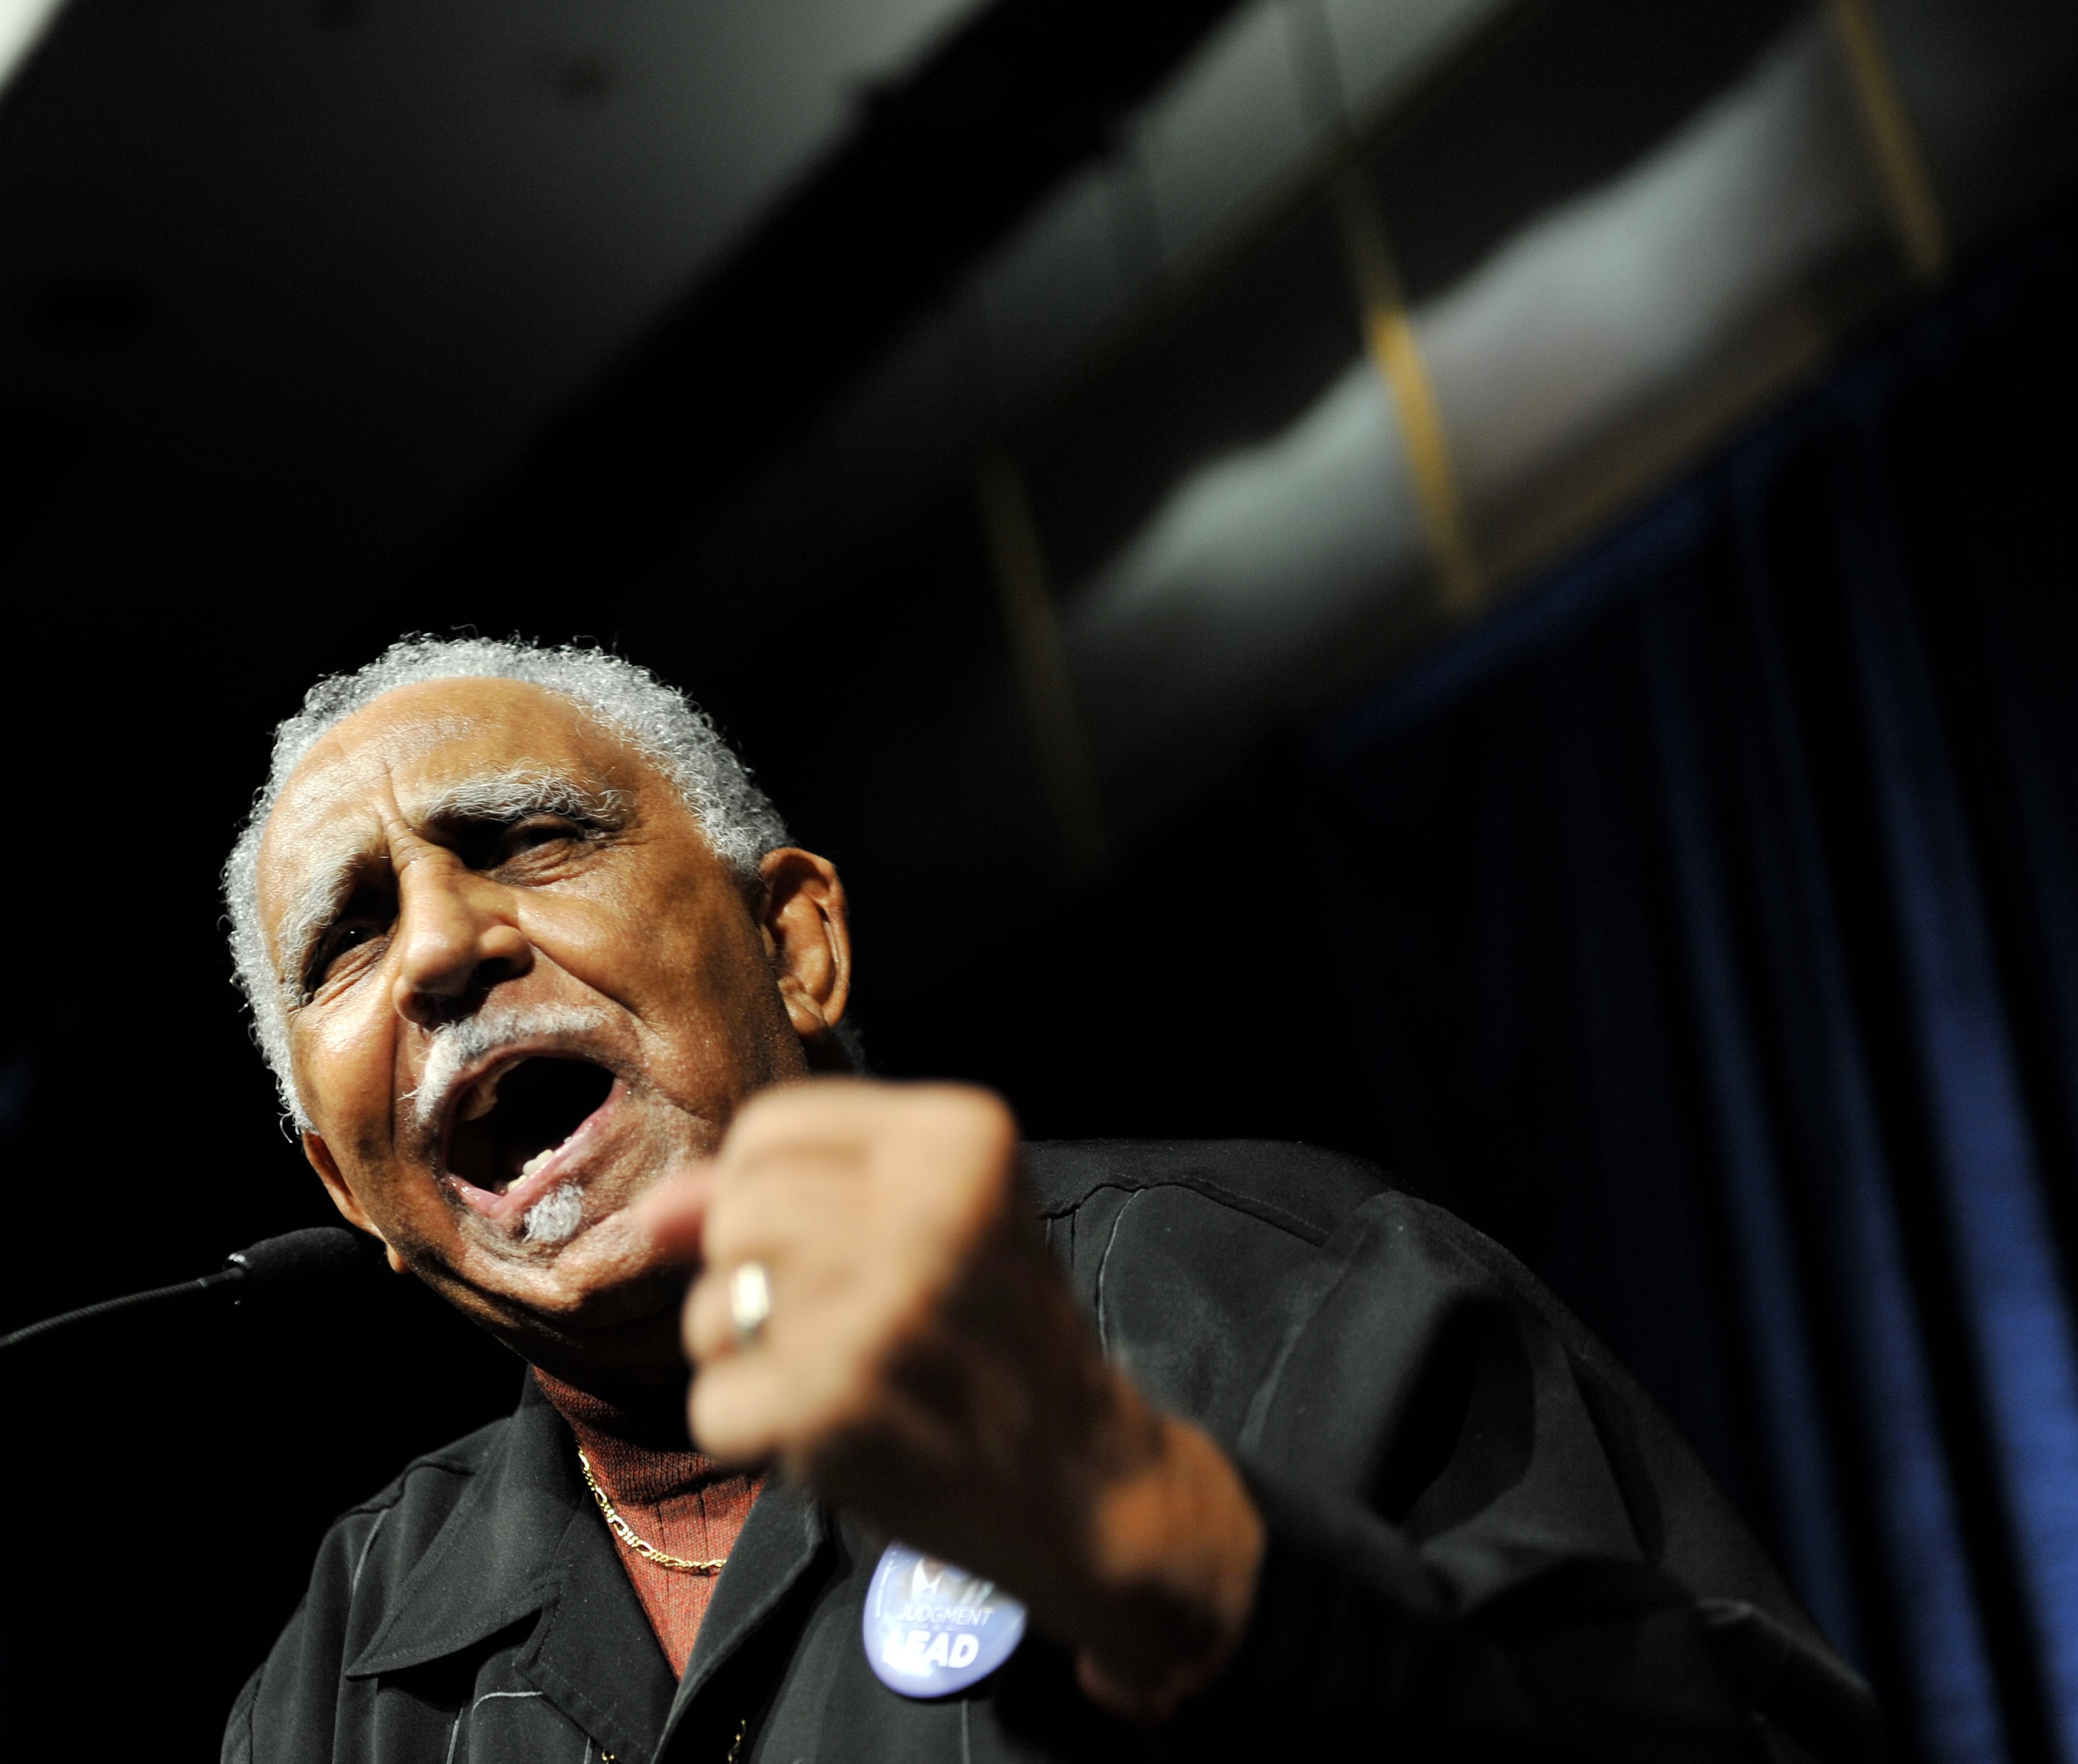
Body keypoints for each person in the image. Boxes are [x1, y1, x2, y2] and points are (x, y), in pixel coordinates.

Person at [218, 636, 1875, 1764]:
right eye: (347, 938)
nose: (441, 949)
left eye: (522, 839)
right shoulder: (340, 1673)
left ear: (798, 946)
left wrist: (1197, 1568)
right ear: (343, 1184)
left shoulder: (1277, 1300)